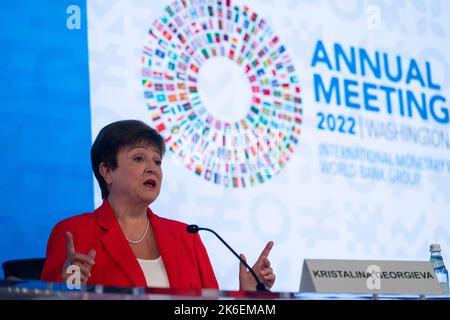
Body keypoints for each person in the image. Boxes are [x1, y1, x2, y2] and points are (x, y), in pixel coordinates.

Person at [40, 119, 276, 290]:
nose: (152, 167)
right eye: (138, 158)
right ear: (107, 171)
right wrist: (67, 287)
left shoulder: (187, 237)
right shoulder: (75, 233)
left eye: (157, 160)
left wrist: (248, 295)